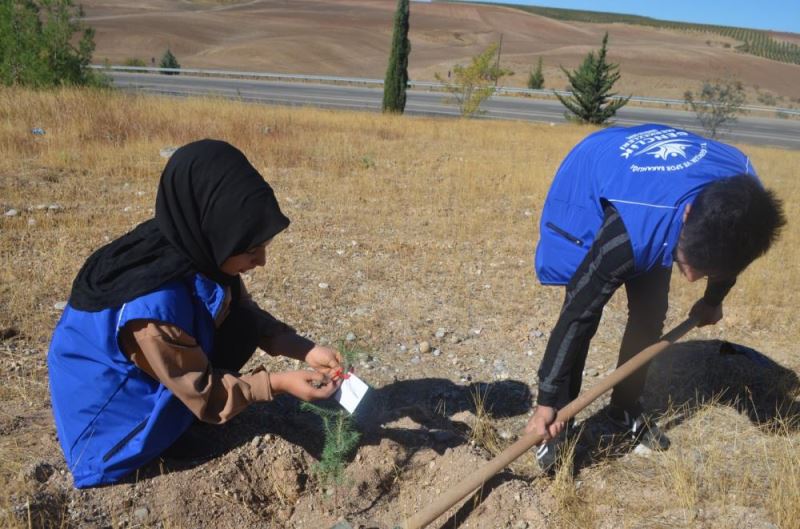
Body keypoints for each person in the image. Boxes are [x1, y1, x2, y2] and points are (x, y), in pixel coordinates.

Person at [48, 140, 344, 488]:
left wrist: (303, 349)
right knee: (206, 390)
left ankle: (182, 417)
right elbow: (205, 392)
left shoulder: (191, 242)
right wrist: (278, 383)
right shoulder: (152, 308)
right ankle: (170, 433)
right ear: (215, 233)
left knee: (242, 325)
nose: (261, 261)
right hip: (108, 430)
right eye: (251, 250)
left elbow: (241, 311)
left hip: (154, 370)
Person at [525, 124, 786, 473]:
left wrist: (713, 299)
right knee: (585, 307)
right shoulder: (628, 234)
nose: (691, 278)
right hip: (596, 169)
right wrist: (545, 400)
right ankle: (558, 422)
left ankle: (625, 407)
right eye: (686, 262)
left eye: (703, 273)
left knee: (651, 312)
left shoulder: (746, 200)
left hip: (663, 204)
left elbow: (735, 252)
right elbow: (577, 314)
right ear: (689, 215)